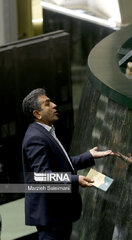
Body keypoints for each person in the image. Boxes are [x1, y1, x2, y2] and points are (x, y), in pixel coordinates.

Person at [22, 88, 114, 240]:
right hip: (52, 216)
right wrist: (75, 179)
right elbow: (43, 176)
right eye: (47, 104)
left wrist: (89, 155)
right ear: (37, 114)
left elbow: (63, 164)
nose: (54, 105)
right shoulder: (36, 138)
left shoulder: (45, 132)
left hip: (59, 214)